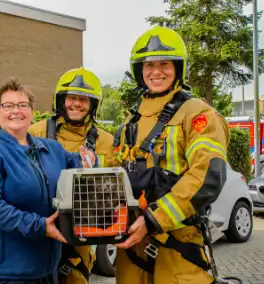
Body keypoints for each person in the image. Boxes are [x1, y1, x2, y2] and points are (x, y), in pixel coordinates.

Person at [113, 26, 230, 283]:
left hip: (179, 246)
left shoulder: (198, 114)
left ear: (178, 68)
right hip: (132, 246)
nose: (156, 71)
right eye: (149, 65)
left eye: (165, 63)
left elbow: (207, 174)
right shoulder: (129, 123)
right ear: (139, 71)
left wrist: (155, 219)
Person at [0, 79, 96, 284]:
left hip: (48, 267)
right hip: (10, 272)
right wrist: (39, 226)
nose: (16, 111)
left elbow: (78, 165)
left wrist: (89, 160)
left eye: (22, 105)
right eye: (8, 105)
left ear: (32, 111)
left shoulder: (50, 149)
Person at [28, 67, 118, 284]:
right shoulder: (35, 133)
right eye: (72, 98)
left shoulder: (106, 141)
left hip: (81, 238)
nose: (77, 104)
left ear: (93, 105)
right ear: (61, 100)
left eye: (84, 99)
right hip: (41, 231)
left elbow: (116, 187)